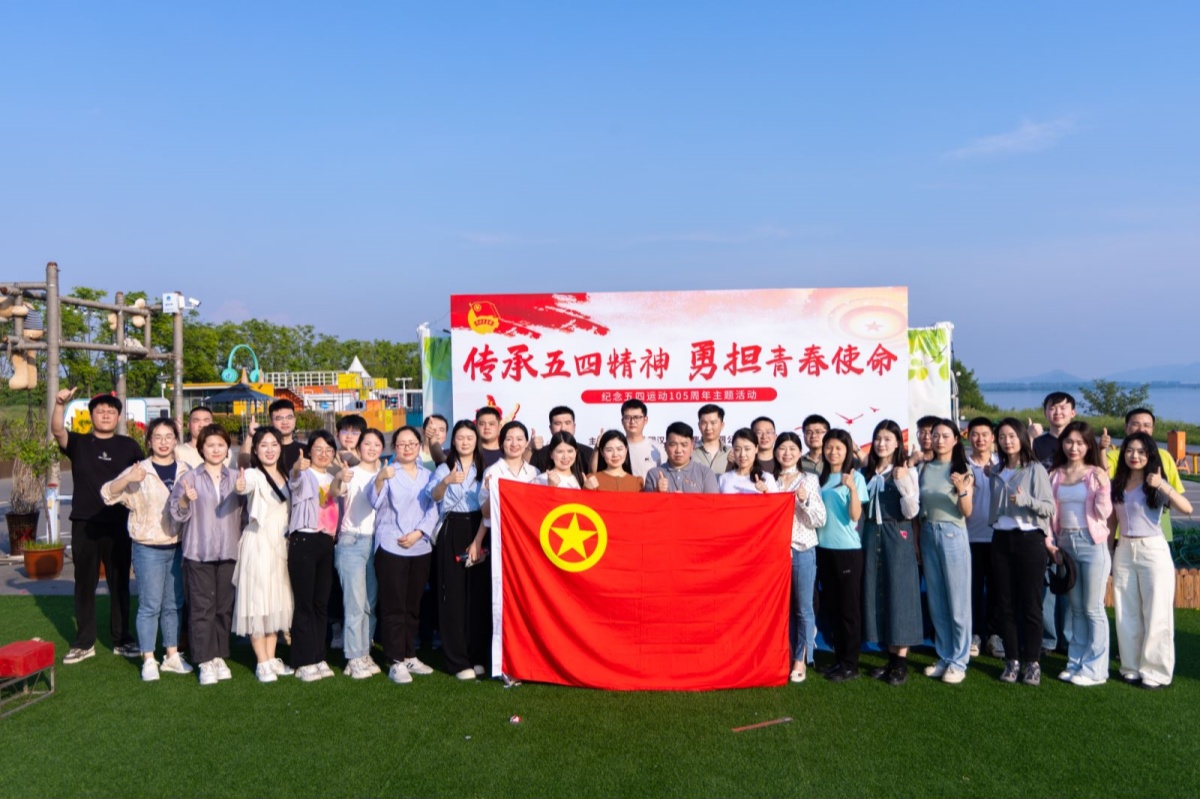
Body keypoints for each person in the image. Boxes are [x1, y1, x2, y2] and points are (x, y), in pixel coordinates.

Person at [52, 389, 144, 665]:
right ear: (91, 415)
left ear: (118, 417)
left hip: (119, 523)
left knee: (120, 583)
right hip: (85, 522)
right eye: (100, 411)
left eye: (111, 412)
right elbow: (57, 431)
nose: (105, 415)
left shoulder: (129, 446)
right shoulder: (79, 443)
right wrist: (60, 404)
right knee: (85, 583)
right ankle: (84, 642)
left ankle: (122, 639)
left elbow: (143, 478)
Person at [100, 417, 193, 681]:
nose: (163, 442)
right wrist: (128, 478)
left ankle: (172, 655)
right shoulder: (140, 470)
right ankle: (149, 658)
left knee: (174, 604)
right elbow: (107, 493)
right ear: (149, 441)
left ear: (176, 440)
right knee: (150, 605)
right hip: (148, 547)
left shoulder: (186, 470)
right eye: (158, 437)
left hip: (178, 545)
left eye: (169, 437)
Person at [1110, 433, 1192, 689]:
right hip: (1124, 548)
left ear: (1150, 455)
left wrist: (1162, 484)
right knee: (1126, 611)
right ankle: (1131, 667)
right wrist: (1108, 550)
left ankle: (1156, 672)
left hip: (1153, 549)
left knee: (1157, 612)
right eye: (1129, 450)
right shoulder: (1118, 483)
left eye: (1141, 452)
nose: (1134, 456)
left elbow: (1187, 508)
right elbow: (1112, 521)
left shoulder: (1155, 483)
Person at [169, 425, 243, 686]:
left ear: (227, 448)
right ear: (201, 448)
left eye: (221, 445)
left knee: (223, 608)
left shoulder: (235, 477)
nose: (216, 449)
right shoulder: (190, 478)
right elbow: (176, 514)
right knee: (202, 608)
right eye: (210, 445)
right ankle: (204, 659)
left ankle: (219, 655)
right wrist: (185, 500)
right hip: (199, 552)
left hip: (229, 551)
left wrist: (243, 491)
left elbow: (246, 513)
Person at [369, 426, 440, 685]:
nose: (407, 448)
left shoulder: (428, 475)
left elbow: (434, 508)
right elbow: (374, 501)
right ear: (394, 447)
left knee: (413, 605)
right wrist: (380, 478)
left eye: (412, 443)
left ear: (420, 446)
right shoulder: (388, 472)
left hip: (420, 547)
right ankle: (395, 660)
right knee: (394, 605)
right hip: (391, 546)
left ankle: (410, 654)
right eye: (401, 444)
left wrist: (419, 533)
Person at [987, 418, 1056, 686]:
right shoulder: (996, 470)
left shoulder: (1035, 469)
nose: (1007, 441)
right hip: (1001, 539)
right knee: (1005, 603)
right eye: (1002, 437)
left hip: (1029, 540)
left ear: (1022, 438)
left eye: (1012, 436)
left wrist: (1026, 500)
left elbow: (1048, 508)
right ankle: (1012, 660)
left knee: (1031, 604)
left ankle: (1032, 662)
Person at [1048, 421, 1112, 687]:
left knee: (1092, 608)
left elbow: (1104, 513)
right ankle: (1076, 663)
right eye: (1069, 442)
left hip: (1091, 543)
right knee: (1075, 608)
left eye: (1080, 443)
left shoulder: (1095, 474)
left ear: (1089, 446)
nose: (1073, 447)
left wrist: (1104, 487)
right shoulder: (1055, 474)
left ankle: (1096, 669)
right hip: (1065, 544)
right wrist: (1050, 543)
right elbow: (1048, 514)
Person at [860, 420, 921, 686]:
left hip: (897, 533)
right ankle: (890, 656)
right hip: (872, 533)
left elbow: (912, 511)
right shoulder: (868, 472)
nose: (881, 444)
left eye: (887, 439)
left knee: (900, 592)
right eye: (878, 438)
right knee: (879, 591)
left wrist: (904, 483)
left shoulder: (906, 472)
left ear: (898, 443)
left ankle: (900, 662)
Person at [232, 426, 294, 683]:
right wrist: (240, 484)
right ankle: (261, 661)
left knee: (275, 603)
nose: (269, 450)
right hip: (258, 544)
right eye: (263, 445)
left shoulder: (286, 475)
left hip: (280, 545)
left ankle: (271, 657)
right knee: (258, 602)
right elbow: (242, 486)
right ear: (256, 450)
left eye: (274, 444)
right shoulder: (254, 475)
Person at [287, 430, 349, 682]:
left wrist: (341, 476)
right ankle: (302, 661)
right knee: (304, 603)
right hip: (304, 539)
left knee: (320, 603)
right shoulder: (303, 474)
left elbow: (335, 493)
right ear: (309, 451)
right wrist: (295, 468)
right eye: (318, 449)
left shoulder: (334, 477)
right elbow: (294, 481)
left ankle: (318, 656)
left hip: (326, 542)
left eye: (328, 450)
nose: (323, 454)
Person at [428, 421, 488, 679]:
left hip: (479, 528)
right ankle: (457, 660)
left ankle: (477, 655)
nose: (465, 442)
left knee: (477, 594)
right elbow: (434, 496)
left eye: (469, 438)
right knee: (452, 594)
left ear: (476, 441)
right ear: (453, 441)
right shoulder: (444, 467)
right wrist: (447, 480)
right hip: (452, 528)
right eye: (460, 437)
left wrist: (479, 540)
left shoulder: (484, 468)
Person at [917, 419, 974, 685]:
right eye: (935, 435)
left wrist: (961, 489)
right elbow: (918, 508)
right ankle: (944, 655)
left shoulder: (963, 470)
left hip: (952, 534)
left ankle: (959, 661)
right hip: (928, 532)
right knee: (937, 600)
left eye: (945, 435)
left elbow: (967, 512)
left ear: (955, 439)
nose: (939, 440)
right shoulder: (923, 468)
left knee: (958, 601)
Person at [770, 431, 825, 683]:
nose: (787, 453)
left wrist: (805, 500)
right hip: (774, 553)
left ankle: (801, 658)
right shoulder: (769, 481)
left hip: (801, 550)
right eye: (782, 448)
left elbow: (819, 519)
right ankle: (786, 653)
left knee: (803, 608)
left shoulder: (809, 480)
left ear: (799, 452)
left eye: (792, 448)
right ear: (775, 452)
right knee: (780, 608)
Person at [815, 428, 867, 682]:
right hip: (823, 549)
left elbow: (855, 516)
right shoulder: (820, 478)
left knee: (849, 610)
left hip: (847, 551)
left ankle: (850, 664)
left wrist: (852, 489)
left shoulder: (855, 478)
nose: (833, 452)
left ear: (847, 451)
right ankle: (839, 659)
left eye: (838, 448)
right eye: (829, 447)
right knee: (833, 608)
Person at [1029, 391, 1076, 656]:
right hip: (1043, 517)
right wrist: (1030, 439)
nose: (1057, 412)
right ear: (1045, 412)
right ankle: (1048, 638)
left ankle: (1068, 639)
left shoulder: (1079, 440)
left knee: (1069, 577)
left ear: (1073, 413)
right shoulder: (1037, 444)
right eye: (1052, 408)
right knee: (1046, 579)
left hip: (1071, 519)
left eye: (1062, 408)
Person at [336, 427, 385, 680]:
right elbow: (336, 491)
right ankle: (354, 657)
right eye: (367, 444)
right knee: (355, 604)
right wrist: (339, 478)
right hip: (352, 541)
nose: (372, 448)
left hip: (376, 543)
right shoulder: (351, 473)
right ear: (359, 447)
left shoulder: (385, 473)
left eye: (377, 444)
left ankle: (364, 652)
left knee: (370, 604)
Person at [1103, 408, 1186, 543]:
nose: (1141, 429)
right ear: (1126, 427)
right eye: (1136, 424)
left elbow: (1177, 497)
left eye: (1147, 425)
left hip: (1159, 537)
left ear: (1153, 429)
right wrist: (1101, 450)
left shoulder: (1164, 456)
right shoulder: (1113, 456)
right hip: (1121, 536)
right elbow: (1105, 484)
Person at [328, 414, 368, 650]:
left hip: (360, 531)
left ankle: (362, 633)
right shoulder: (328, 461)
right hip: (334, 531)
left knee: (360, 589)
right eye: (345, 431)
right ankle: (337, 627)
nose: (350, 436)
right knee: (336, 585)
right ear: (338, 434)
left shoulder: (369, 460)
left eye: (355, 432)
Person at [965, 417, 1003, 659]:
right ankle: (975, 634)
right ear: (968, 437)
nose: (980, 439)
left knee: (998, 590)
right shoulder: (962, 465)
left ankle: (994, 635)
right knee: (973, 590)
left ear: (993, 438)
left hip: (999, 537)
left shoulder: (1003, 464)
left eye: (985, 434)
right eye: (975, 434)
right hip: (969, 538)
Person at [644, 422, 719, 494]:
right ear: (666, 446)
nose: (678, 450)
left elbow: (713, 502)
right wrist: (656, 491)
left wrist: (684, 500)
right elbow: (647, 502)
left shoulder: (705, 473)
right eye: (673, 444)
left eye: (684, 445)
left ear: (692, 447)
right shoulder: (653, 474)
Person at [242, 400, 304, 473]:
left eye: (289, 417)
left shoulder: (305, 450)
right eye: (279, 418)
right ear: (271, 422)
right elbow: (243, 466)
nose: (285, 422)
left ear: (295, 420)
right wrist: (249, 435)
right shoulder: (262, 449)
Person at [530, 406, 595, 474]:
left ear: (574, 426)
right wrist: (530, 448)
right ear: (550, 428)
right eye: (558, 424)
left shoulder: (588, 453)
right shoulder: (540, 454)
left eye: (567, 423)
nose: (563, 428)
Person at [718, 428, 773, 494]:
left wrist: (766, 492)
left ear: (756, 449)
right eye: (737, 449)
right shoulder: (724, 479)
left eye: (747, 449)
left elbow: (777, 500)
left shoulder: (767, 478)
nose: (742, 454)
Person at [619, 399, 664, 478]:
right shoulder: (616, 447)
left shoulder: (657, 448)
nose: (632, 422)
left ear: (645, 420)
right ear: (622, 421)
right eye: (628, 417)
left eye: (637, 417)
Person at [691, 404, 730, 474]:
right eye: (704, 423)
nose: (708, 428)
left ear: (722, 425)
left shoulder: (731, 453)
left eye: (713, 423)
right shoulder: (690, 452)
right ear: (699, 425)